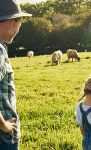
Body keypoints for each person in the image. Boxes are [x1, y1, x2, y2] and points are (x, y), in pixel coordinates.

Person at [0, 0, 31, 149]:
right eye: (19, 25)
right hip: (3, 137)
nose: (18, 30)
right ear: (12, 21)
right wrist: (4, 125)